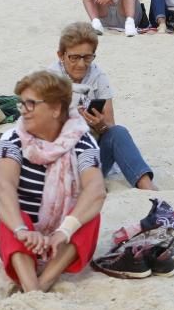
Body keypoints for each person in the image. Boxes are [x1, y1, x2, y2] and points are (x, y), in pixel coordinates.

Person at [0, 71, 106, 293]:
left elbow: (96, 190)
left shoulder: (82, 140)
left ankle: (45, 280)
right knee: (10, 214)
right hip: (24, 232)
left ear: (56, 109)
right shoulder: (13, 139)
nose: (24, 111)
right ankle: (31, 286)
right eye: (22, 104)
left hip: (63, 234)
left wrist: (64, 230)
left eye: (31, 104)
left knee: (90, 214)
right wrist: (21, 229)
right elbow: (4, 187)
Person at [51, 23, 156, 189]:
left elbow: (110, 124)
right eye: (74, 57)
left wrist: (100, 125)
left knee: (118, 133)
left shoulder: (97, 75)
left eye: (87, 57)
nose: (81, 64)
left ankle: (147, 187)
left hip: (93, 154)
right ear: (61, 55)